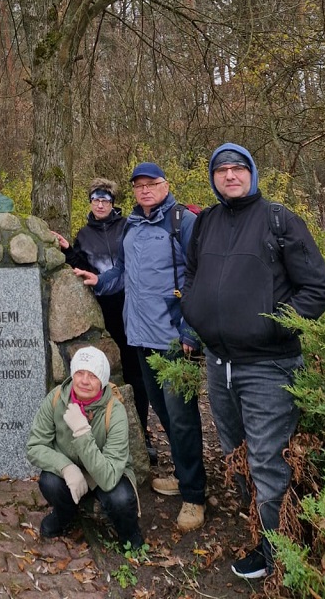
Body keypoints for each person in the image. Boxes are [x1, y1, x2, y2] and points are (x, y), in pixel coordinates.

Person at [182, 144, 325, 580]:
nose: (230, 175)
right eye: (222, 169)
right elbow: (191, 273)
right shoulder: (206, 222)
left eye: (238, 168)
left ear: (251, 172)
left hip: (268, 366)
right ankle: (262, 533)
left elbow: (319, 289)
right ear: (213, 178)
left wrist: (275, 326)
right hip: (219, 363)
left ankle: (277, 558)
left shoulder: (279, 220)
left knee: (268, 460)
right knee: (237, 456)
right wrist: (194, 308)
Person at [120, 161, 206, 532]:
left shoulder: (182, 221)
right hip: (141, 335)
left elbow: (200, 276)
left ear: (165, 185)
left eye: (151, 184)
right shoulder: (133, 224)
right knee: (165, 413)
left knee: (183, 418)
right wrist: (94, 276)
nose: (144, 190)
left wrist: (191, 332)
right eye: (138, 186)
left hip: (173, 339)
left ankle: (194, 497)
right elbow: (125, 274)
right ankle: (188, 475)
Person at [54, 177, 154, 463]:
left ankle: (143, 433)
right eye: (96, 199)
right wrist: (67, 251)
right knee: (113, 370)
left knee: (138, 371)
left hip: (134, 305)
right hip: (105, 309)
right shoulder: (83, 235)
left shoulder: (129, 226)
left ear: (113, 203)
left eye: (105, 199)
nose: (100, 204)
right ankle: (108, 432)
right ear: (90, 202)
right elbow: (85, 270)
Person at [27, 347, 143, 549]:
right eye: (79, 373)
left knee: (121, 498)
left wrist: (81, 431)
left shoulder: (114, 411)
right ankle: (66, 515)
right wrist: (66, 467)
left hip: (106, 474)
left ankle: (130, 536)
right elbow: (35, 446)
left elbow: (108, 478)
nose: (84, 381)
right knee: (49, 482)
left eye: (92, 376)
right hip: (71, 472)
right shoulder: (56, 399)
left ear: (103, 381)